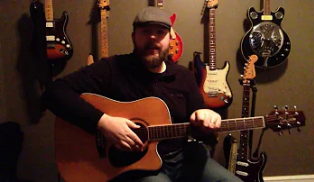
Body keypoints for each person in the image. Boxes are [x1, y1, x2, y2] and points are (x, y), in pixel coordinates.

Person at [41, 6, 242, 182]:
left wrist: (207, 116)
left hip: (184, 159)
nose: (152, 38)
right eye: (145, 32)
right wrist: (104, 123)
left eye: (160, 32)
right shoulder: (111, 69)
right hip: (136, 169)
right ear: (133, 37)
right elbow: (53, 93)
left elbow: (199, 114)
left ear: (171, 37)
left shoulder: (183, 76)